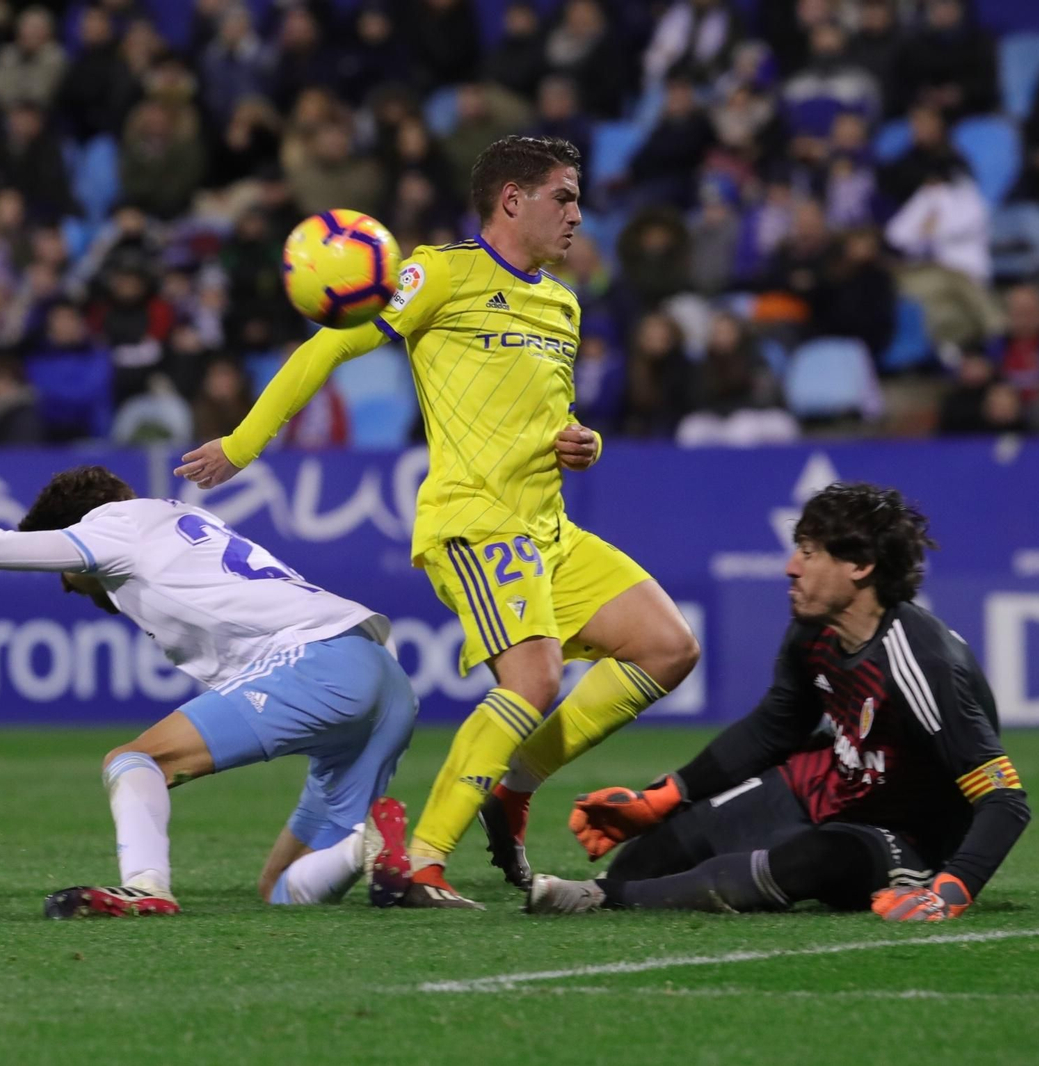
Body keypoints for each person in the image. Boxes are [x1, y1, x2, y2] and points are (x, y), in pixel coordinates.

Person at [177, 135, 701, 908]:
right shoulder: (441, 273)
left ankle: (511, 783)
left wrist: (580, 440)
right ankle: (415, 863)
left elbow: (549, 418)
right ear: (513, 199)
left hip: (548, 526)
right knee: (533, 677)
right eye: (564, 196)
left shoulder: (562, 302)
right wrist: (242, 444)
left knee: (668, 647)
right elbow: (326, 349)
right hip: (477, 522)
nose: (578, 216)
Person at [0, 464, 417, 916]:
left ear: (74, 531)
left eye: (64, 567)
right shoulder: (179, 520)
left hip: (319, 663)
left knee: (134, 759)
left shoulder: (111, 527)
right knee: (279, 890)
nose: (66, 586)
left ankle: (145, 888)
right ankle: (366, 848)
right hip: (381, 673)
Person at [528, 483, 1031, 922]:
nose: (791, 568)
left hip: (905, 833)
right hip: (832, 781)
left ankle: (599, 897)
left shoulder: (922, 661)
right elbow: (775, 727)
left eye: (809, 553)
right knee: (656, 850)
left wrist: (952, 889)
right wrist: (665, 795)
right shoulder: (813, 631)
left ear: (860, 565)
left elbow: (1005, 800)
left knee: (812, 860)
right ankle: (617, 887)